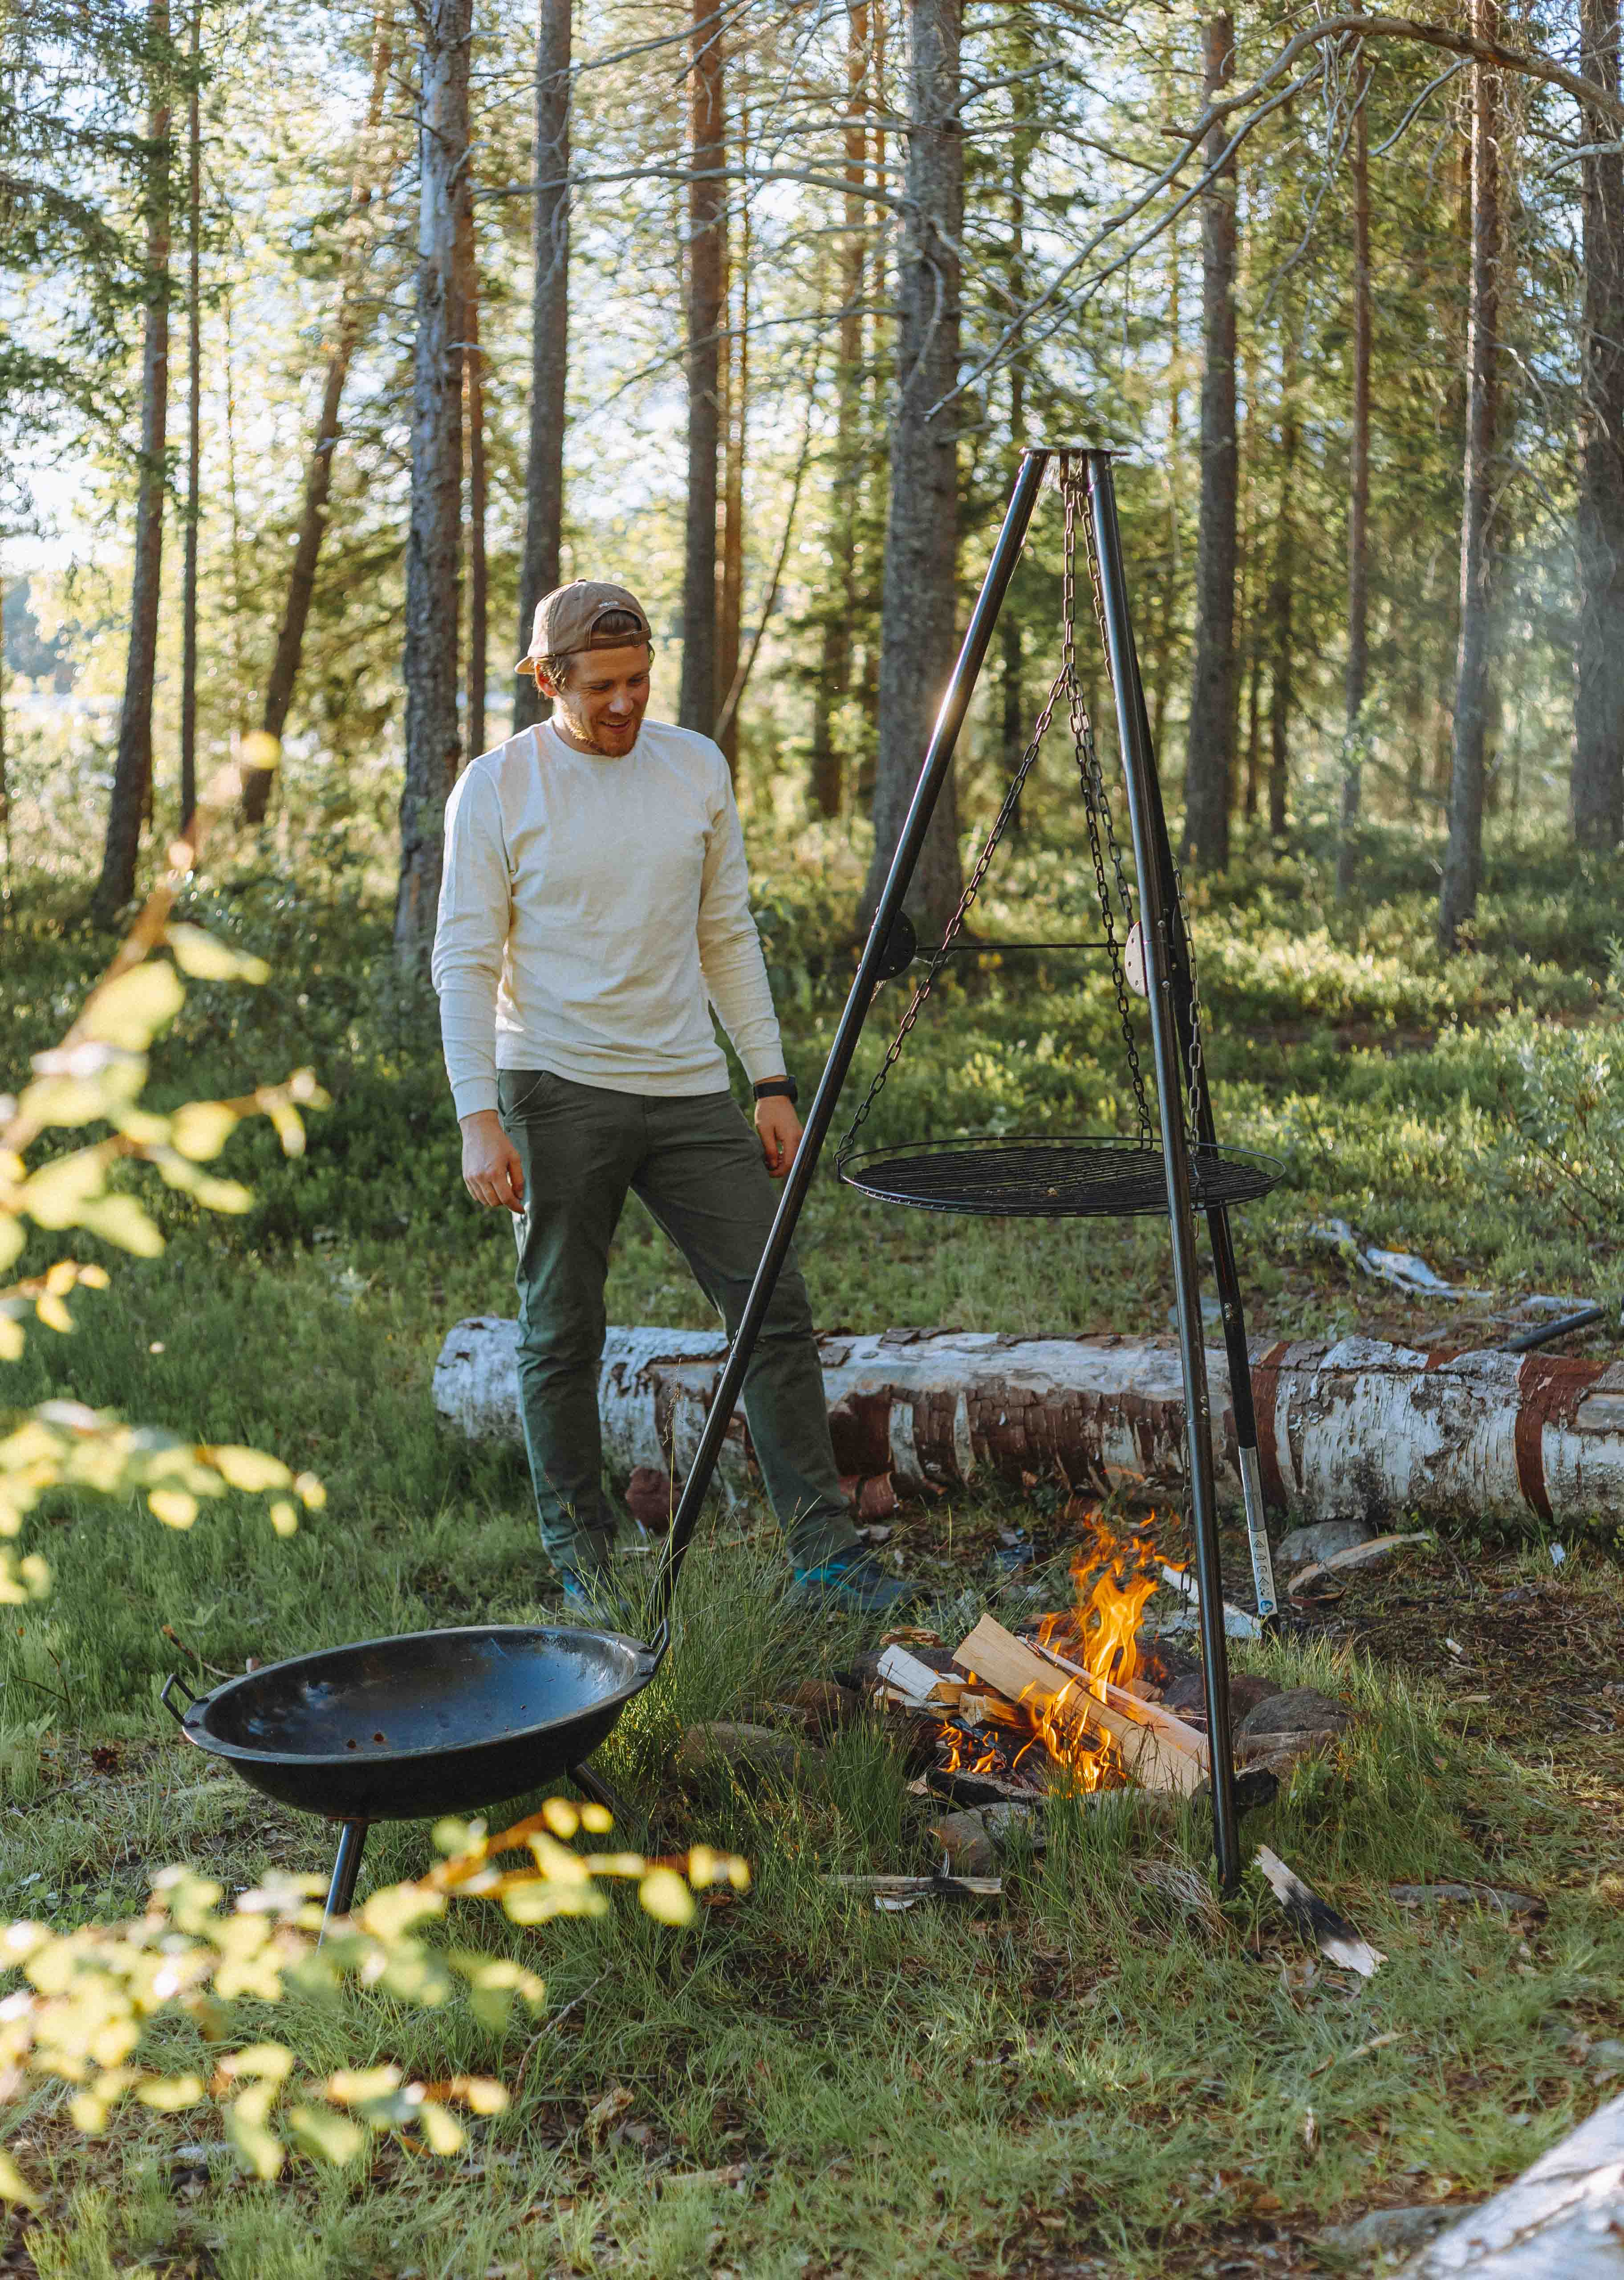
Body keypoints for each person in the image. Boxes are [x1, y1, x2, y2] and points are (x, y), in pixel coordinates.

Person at [432, 578, 920, 1615]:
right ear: (548, 678)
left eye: (639, 681)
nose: (623, 704)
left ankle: (825, 1555)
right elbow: (465, 960)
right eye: (600, 685)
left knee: (772, 1308)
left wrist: (770, 1079)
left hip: (690, 1085)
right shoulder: (499, 785)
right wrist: (481, 1115)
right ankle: (586, 1564)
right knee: (562, 1327)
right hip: (554, 1084)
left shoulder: (694, 766)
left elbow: (725, 934)